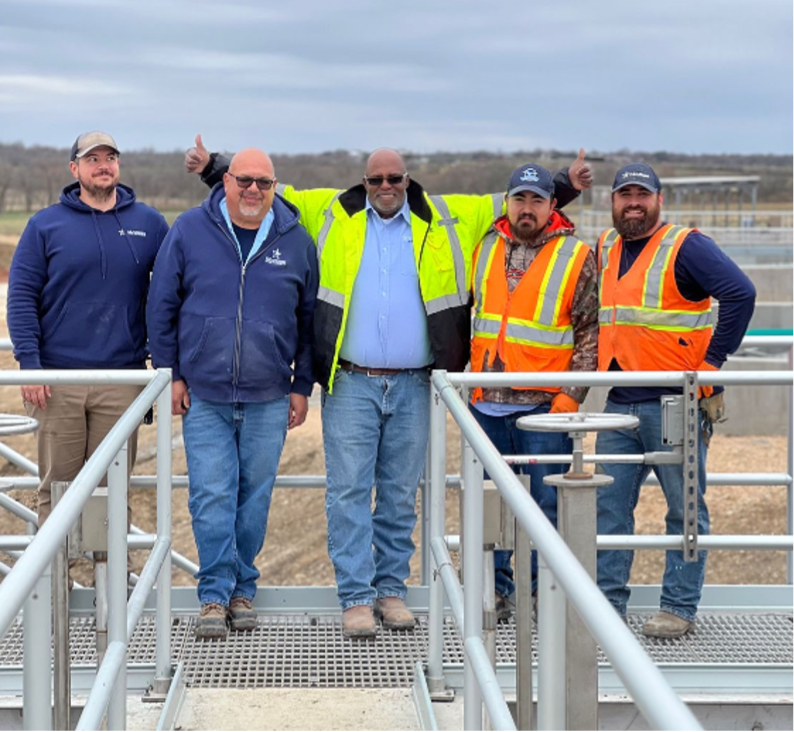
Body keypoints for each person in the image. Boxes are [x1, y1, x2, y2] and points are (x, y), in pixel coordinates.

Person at [186, 136, 592, 637]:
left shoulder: (444, 217)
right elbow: (265, 190)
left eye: (393, 179)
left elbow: (513, 204)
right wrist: (211, 169)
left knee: (400, 494)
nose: (385, 187)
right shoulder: (331, 211)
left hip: (414, 384)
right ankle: (356, 597)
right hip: (351, 382)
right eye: (375, 179)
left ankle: (392, 590)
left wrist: (565, 186)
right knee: (348, 493)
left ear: (407, 180)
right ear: (364, 182)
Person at [147, 148, 318, 639]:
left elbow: (308, 321)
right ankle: (214, 595)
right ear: (226, 182)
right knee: (210, 495)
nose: (253, 191)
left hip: (269, 395)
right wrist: (171, 373)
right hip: (205, 393)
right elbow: (162, 306)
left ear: (274, 187)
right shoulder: (189, 231)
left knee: (254, 498)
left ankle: (243, 587)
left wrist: (300, 385)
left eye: (263, 184)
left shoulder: (296, 239)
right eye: (244, 181)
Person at [595, 163, 755, 637]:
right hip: (619, 399)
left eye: (642, 194)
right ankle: (607, 607)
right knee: (608, 508)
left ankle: (678, 609)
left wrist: (711, 364)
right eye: (624, 194)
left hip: (674, 403)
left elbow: (740, 293)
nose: (633, 203)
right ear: (613, 201)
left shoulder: (685, 246)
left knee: (684, 509)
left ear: (659, 200)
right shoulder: (605, 246)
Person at [7, 131, 168, 532]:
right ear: (75, 168)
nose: (103, 165)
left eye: (110, 157)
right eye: (92, 158)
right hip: (58, 380)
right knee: (57, 491)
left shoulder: (149, 224)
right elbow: (22, 296)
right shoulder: (45, 226)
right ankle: (54, 590)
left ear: (118, 165)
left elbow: (170, 292)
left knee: (110, 494)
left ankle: (109, 593)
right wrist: (31, 365)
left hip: (122, 378)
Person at [469, 163, 598, 618]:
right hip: (487, 402)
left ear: (552, 205)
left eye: (537, 200)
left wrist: (570, 395)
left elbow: (591, 333)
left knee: (547, 504)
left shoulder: (577, 256)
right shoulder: (483, 245)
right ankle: (497, 594)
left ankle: (547, 596)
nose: (527, 209)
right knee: (491, 505)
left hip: (545, 406)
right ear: (507, 202)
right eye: (519, 199)